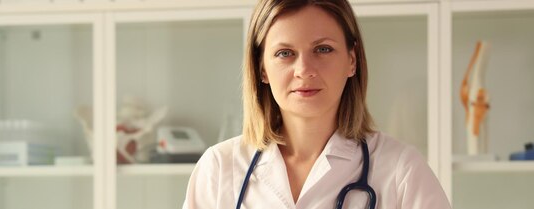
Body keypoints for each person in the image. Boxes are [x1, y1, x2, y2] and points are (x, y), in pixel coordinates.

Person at [182, 0, 452, 208]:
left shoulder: (401, 171)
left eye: (323, 49)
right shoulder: (219, 168)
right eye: (284, 53)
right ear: (261, 68)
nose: (304, 70)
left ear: (352, 60)